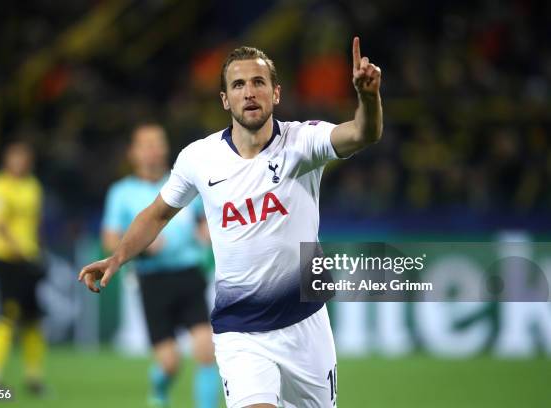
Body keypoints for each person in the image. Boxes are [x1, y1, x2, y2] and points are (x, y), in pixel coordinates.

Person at [79, 37, 382, 407]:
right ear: (225, 99)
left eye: (258, 82)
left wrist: (368, 98)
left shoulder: (302, 143)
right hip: (240, 329)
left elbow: (362, 133)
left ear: (276, 93)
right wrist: (118, 257)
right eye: (238, 85)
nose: (249, 92)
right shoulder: (200, 158)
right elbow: (157, 213)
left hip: (306, 322)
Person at [101, 124, 219, 408]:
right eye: (146, 144)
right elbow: (109, 239)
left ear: (166, 149)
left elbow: (205, 222)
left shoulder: (183, 183)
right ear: (133, 153)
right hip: (152, 281)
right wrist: (143, 246)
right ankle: (159, 390)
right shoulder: (121, 192)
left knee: (206, 351)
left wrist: (206, 233)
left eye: (158, 143)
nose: (153, 150)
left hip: (189, 275)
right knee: (169, 363)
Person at [0, 141, 47, 394]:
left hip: (30, 259)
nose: (20, 163)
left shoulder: (33, 186)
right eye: (15, 157)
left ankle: (34, 377)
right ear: (6, 160)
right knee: (6, 315)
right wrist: (22, 251)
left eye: (24, 158)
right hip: (7, 260)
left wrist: (39, 251)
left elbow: (36, 223)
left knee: (33, 319)